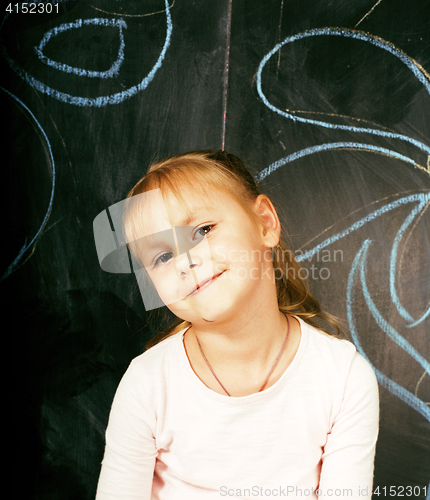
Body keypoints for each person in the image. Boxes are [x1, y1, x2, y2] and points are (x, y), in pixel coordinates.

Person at [95, 150, 379, 500]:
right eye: (163, 256)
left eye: (202, 230)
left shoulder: (342, 377)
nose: (185, 261)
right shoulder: (147, 384)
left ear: (264, 223)